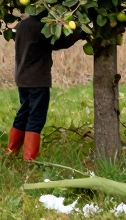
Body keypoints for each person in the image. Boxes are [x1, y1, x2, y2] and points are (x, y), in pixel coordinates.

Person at [8, 13, 83, 161]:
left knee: (24, 113)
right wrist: (81, 31)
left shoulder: (22, 25)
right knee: (36, 117)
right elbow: (61, 42)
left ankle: (11, 151)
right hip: (37, 80)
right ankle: (29, 158)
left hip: (22, 78)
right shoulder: (42, 27)